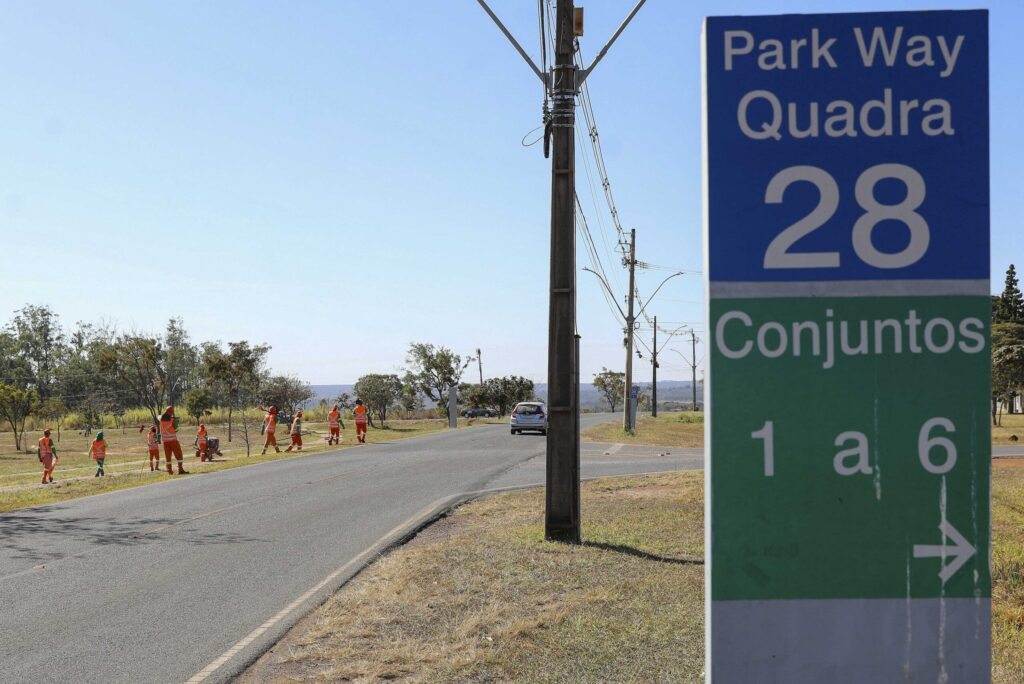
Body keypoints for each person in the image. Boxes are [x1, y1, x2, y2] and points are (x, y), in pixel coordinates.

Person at [159, 406, 189, 475]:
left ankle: (170, 471)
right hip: (173, 440)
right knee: (179, 455)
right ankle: (180, 470)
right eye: (172, 411)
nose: (173, 413)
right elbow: (176, 428)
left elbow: (159, 416)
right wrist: (174, 420)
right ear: (170, 412)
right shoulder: (172, 420)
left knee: (168, 457)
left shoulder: (160, 419)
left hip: (165, 441)